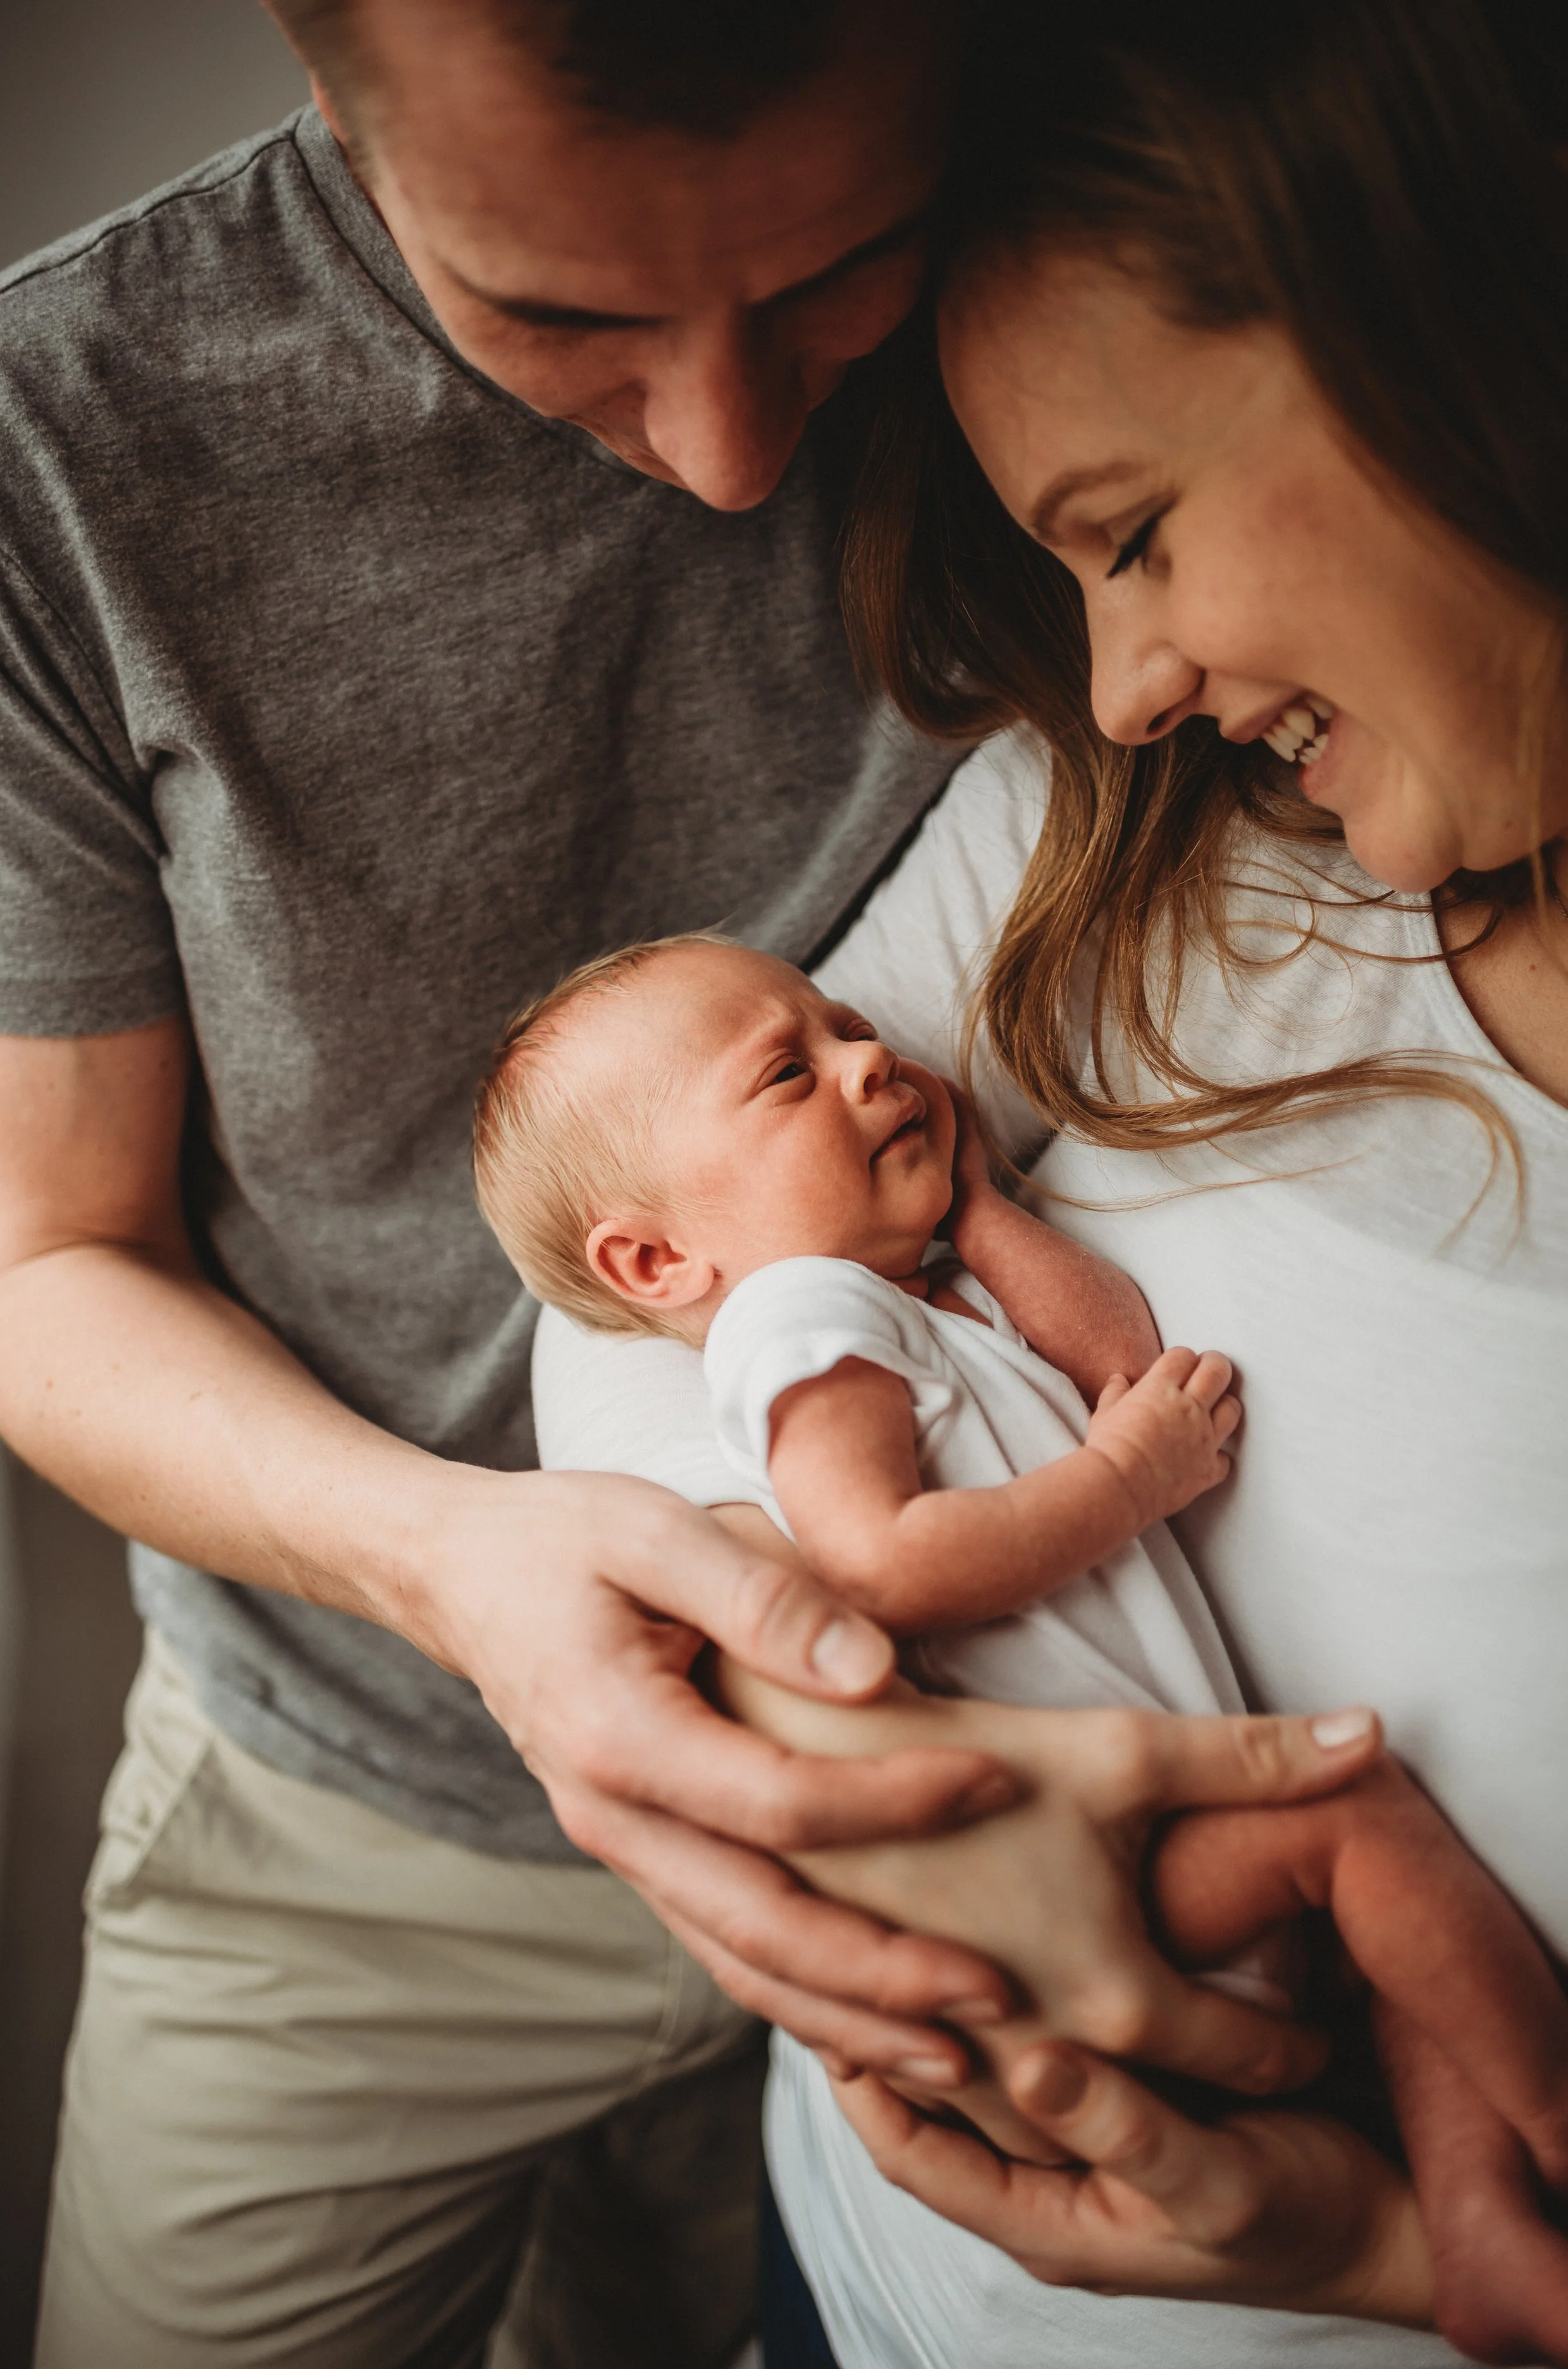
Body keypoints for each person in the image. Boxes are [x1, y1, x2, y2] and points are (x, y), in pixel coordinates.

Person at [529, 0, 1568, 2360]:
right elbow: (644, 1285)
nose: (1111, 683)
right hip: (875, 2273)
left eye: (1135, 533)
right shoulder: (1143, 843)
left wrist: (1378, 2256)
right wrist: (858, 1777)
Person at [0, 3, 1008, 2360]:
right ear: (322, 75)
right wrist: (455, 1564)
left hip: (948, 1800)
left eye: (847, 275)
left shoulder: (1107, 208)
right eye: (563, 316)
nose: (736, 454)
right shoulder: (53, 451)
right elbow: (45, 1254)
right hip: (349, 1837)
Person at [475, 925, 1568, 2210]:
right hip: (1091, 1864)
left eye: (844, 1023)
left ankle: (1481, 2228)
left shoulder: (913, 1296)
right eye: (787, 1074)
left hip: (1145, 1838)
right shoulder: (800, 1319)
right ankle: (1557, 2125)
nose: (865, 1056)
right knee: (1357, 1815)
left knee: (1395, 1931)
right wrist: (1125, 1481)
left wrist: (981, 1209)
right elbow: (878, 1558)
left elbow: (1118, 1356)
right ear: (658, 1262)